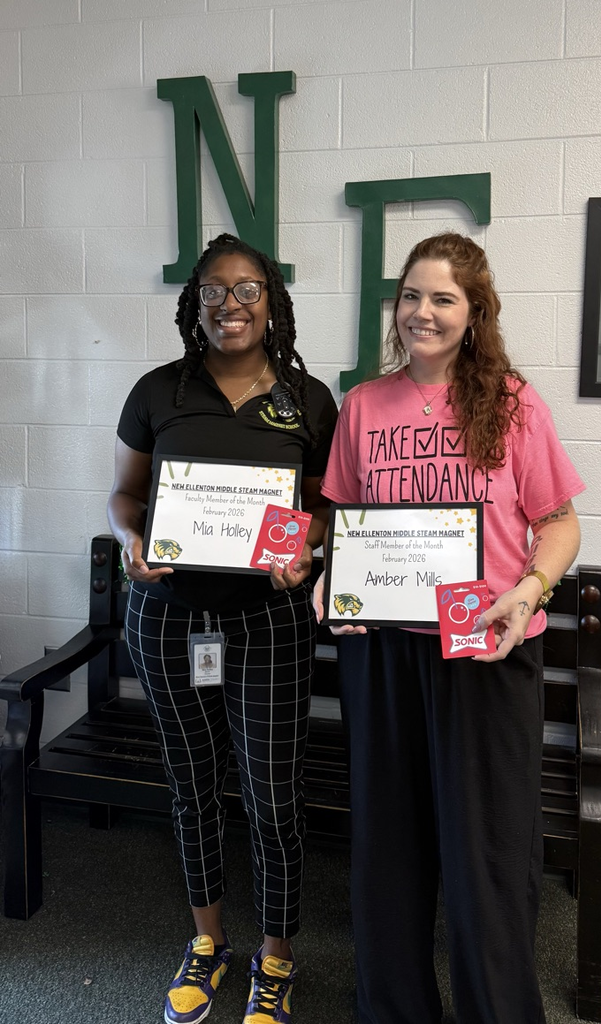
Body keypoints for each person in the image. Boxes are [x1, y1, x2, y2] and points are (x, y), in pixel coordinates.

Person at [314, 233, 584, 1024]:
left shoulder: (512, 403)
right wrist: (333, 574)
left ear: (474, 313)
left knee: (485, 853)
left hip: (484, 644)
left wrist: (529, 591)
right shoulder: (364, 405)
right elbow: (343, 520)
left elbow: (559, 525)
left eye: (442, 298)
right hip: (384, 651)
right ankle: (393, 1009)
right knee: (388, 846)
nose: (421, 313)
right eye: (410, 296)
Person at [107, 233, 338, 1024]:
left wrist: (304, 545)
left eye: (246, 290)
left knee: (272, 799)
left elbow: (324, 505)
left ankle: (275, 958)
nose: (228, 304)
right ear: (194, 302)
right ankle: (207, 943)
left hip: (269, 619)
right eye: (212, 290)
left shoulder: (308, 399)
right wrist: (130, 539)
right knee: (192, 789)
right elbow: (125, 494)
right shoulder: (156, 391)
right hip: (168, 619)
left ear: (270, 302)